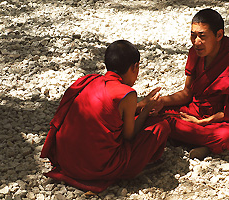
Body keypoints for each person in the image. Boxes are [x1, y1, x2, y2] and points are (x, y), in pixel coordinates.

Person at [40, 40, 171, 193]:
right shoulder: (126, 93)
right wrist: (146, 109)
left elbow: (110, 113)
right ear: (135, 67)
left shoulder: (89, 81)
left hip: (67, 162)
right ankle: (135, 168)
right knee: (161, 125)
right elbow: (129, 135)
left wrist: (141, 105)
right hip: (96, 169)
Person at [156, 8, 229, 160]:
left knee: (224, 137)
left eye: (202, 36)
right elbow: (187, 93)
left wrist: (203, 122)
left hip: (223, 120)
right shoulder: (196, 52)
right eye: (193, 36)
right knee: (151, 110)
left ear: (219, 35)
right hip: (195, 110)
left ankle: (171, 130)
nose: (196, 42)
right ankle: (200, 142)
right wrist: (160, 101)